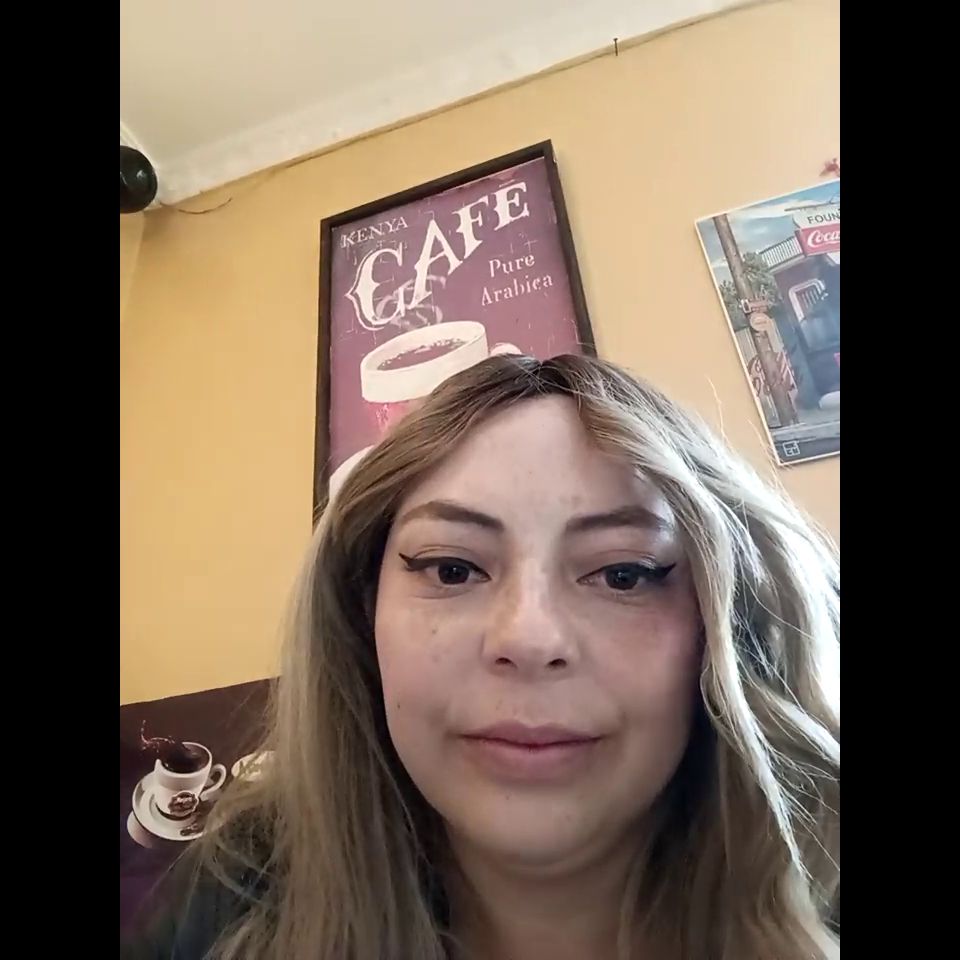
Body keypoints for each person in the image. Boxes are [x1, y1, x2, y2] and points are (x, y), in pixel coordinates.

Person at [124, 354, 840, 960]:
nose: (528, 639)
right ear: (362, 618)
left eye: (623, 574)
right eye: (452, 568)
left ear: (727, 626)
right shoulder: (226, 903)